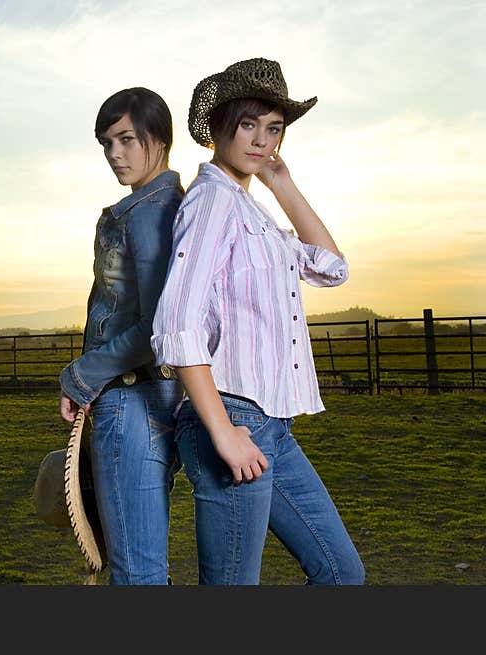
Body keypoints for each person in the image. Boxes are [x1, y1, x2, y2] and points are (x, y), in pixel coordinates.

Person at [150, 58, 365, 585]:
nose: (261, 140)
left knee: (342, 574)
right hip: (233, 418)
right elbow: (177, 324)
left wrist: (281, 181)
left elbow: (331, 268)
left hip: (271, 426)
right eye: (250, 125)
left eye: (274, 129)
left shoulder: (251, 212)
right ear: (220, 126)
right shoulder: (211, 202)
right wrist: (222, 432)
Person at [59, 87, 184, 585]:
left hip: (132, 399)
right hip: (154, 399)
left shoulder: (151, 211)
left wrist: (80, 376)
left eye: (127, 139)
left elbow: (157, 328)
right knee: (143, 563)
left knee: (135, 572)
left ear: (160, 138)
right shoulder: (152, 205)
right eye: (107, 143)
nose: (115, 154)